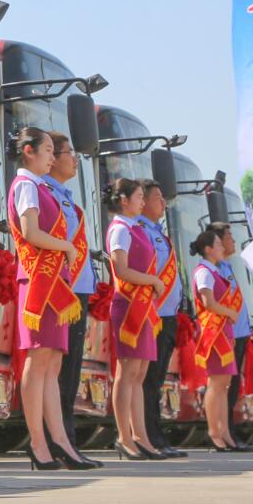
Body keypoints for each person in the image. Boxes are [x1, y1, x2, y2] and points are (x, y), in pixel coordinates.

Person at [7, 128, 93, 470]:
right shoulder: (26, 185)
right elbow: (31, 232)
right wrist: (66, 246)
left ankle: (60, 441)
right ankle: (38, 442)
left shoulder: (42, 187)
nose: (52, 157)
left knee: (52, 364)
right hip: (39, 281)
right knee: (38, 360)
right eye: (46, 150)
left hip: (55, 281)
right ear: (28, 151)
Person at [41, 132, 103, 467]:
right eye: (68, 153)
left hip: (77, 288)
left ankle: (67, 440)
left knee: (71, 370)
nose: (74, 160)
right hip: (60, 289)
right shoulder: (44, 192)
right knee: (57, 371)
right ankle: (55, 441)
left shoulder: (67, 197)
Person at [105, 177, 167, 460]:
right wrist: (152, 280)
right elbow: (121, 270)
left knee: (139, 374)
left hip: (143, 307)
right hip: (128, 305)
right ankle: (124, 436)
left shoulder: (137, 228)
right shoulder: (120, 229)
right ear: (124, 200)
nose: (143, 202)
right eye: (139, 197)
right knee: (126, 372)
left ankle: (141, 437)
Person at [137, 180, 187, 459]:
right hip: (151, 314)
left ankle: (156, 435)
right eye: (157, 197)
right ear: (142, 201)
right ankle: (148, 437)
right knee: (148, 380)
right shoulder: (140, 231)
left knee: (156, 380)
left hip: (167, 315)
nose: (163, 202)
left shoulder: (158, 232)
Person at [190, 228, 249, 452]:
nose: (222, 247)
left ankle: (225, 432)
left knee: (224, 385)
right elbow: (209, 303)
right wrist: (230, 312)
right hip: (213, 333)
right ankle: (215, 433)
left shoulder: (215, 270)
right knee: (215, 384)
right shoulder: (204, 272)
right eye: (218, 244)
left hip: (223, 332)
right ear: (208, 249)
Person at [213, 221, 253, 449]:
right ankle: (223, 433)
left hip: (239, 333)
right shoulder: (215, 269)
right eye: (229, 236)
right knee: (223, 387)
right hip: (227, 334)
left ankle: (230, 431)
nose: (233, 241)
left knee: (232, 386)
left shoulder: (227, 266)